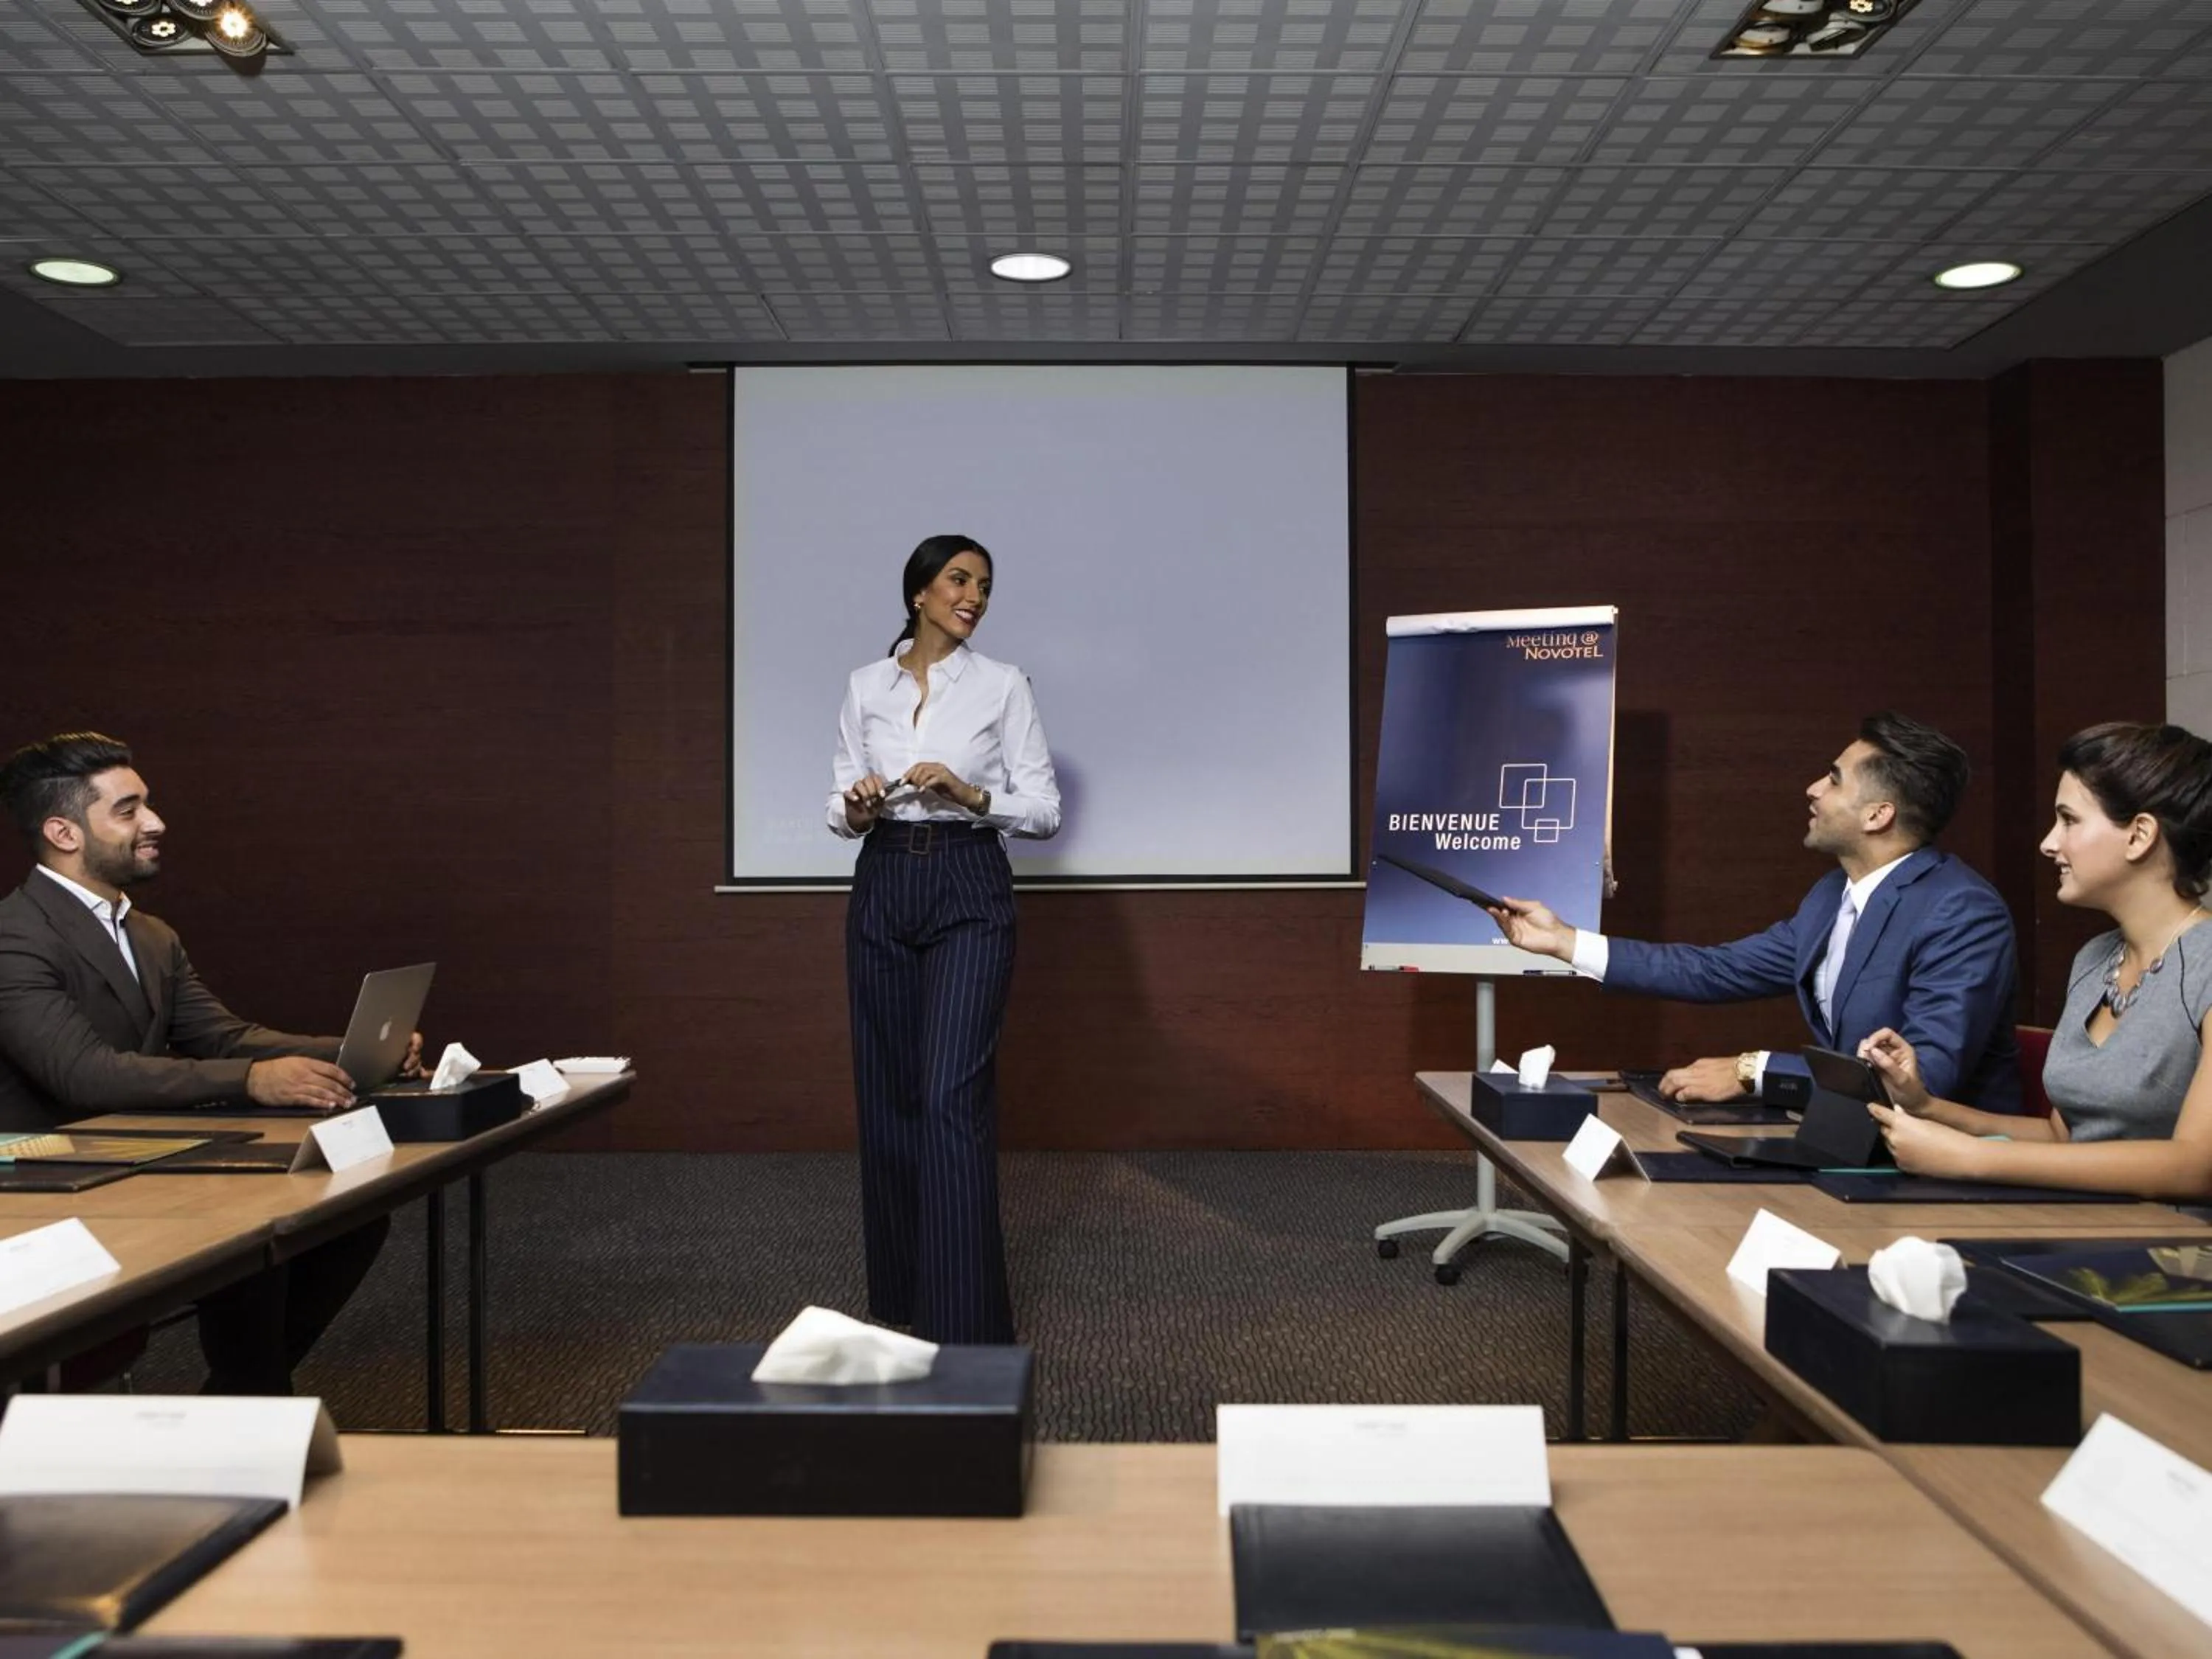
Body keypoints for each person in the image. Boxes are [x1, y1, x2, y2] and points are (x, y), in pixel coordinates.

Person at [0, 732, 405, 1393]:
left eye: (147, 805)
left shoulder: (150, 934)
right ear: (64, 832)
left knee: (341, 1222)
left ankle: (238, 1398)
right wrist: (252, 1080)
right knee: (254, 1233)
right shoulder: (14, 936)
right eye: (128, 810)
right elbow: (84, 1073)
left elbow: (222, 1036)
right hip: (44, 1178)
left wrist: (351, 1049)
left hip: (135, 1155)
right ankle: (247, 1402)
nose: (155, 823)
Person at [1487, 712, 2022, 1113]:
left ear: (1879, 815)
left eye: (1834, 779)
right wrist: (1565, 942)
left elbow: (1922, 1079)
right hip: (1856, 1145)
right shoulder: (1831, 895)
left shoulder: (1961, 912)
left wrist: (1753, 1070)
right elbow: (1716, 969)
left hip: (1950, 1175)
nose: (1813, 789)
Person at [829, 535, 1060, 1343]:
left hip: (969, 880)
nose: (975, 597)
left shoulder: (1003, 685)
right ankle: (899, 1303)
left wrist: (970, 792)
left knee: (950, 1097)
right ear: (919, 592)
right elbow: (839, 805)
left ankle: (963, 1322)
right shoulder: (866, 686)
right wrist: (857, 805)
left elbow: (1044, 810)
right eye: (960, 581)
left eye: (985, 586)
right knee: (889, 1095)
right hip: (885, 878)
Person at [1861, 723, 2212, 1201]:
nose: (2049, 843)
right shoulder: (2095, 960)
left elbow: (2196, 1167)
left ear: (2139, 836)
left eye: (2069, 820)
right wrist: (1925, 1106)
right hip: (2084, 1228)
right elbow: (2064, 1140)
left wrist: (1974, 1158)